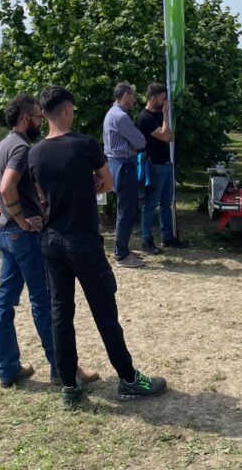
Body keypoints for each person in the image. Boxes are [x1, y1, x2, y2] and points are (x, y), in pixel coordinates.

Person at [29, 86, 167, 409]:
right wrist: (88, 184)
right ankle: (129, 379)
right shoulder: (85, 145)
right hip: (83, 241)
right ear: (66, 110)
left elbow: (41, 196)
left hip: (51, 241)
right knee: (104, 311)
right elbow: (107, 182)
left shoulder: (34, 153)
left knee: (60, 313)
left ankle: (69, 386)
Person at [0, 93, 99, 389]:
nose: (42, 122)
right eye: (39, 117)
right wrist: (23, 218)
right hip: (22, 234)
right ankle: (61, 369)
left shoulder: (1, 145)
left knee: (4, 303)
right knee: (45, 302)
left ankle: (8, 367)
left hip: (4, 233)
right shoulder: (22, 148)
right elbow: (6, 186)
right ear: (26, 118)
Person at [135, 83, 188, 253]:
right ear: (152, 98)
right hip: (154, 165)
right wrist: (165, 115)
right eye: (162, 98)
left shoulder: (157, 115)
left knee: (166, 203)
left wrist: (164, 118)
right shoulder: (145, 118)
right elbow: (165, 135)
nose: (165, 102)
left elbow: (170, 136)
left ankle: (167, 237)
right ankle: (146, 240)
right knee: (150, 204)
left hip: (165, 164)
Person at [102, 82, 147, 268]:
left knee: (125, 209)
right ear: (126, 94)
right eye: (133, 95)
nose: (135, 99)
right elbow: (140, 141)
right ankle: (121, 254)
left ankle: (123, 248)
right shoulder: (121, 117)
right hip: (124, 166)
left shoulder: (111, 114)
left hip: (116, 165)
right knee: (126, 211)